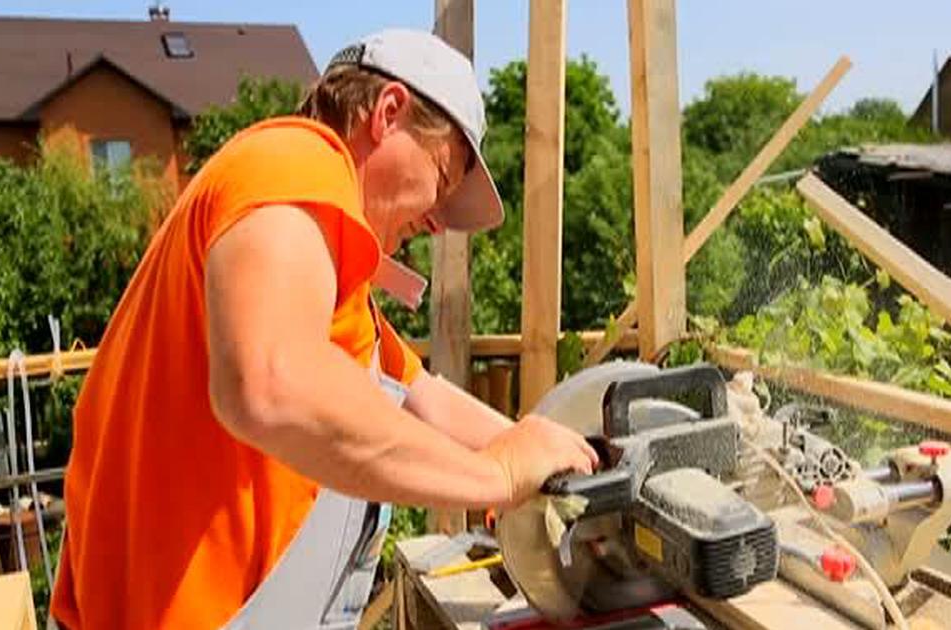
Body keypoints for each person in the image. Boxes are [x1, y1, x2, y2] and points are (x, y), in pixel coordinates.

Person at [50, 29, 597, 629]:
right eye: (441, 179)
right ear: (388, 113)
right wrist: (496, 477)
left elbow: (420, 399)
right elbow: (271, 385)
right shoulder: (293, 160)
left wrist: (551, 455)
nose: (438, 222)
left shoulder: (333, 282)